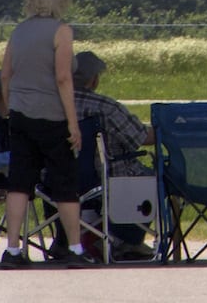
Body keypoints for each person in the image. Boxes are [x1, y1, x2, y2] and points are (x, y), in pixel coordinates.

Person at [0, 0, 92, 268]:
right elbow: (63, 78)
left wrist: (10, 108)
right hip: (51, 115)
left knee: (19, 183)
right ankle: (75, 248)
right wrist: (72, 123)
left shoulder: (19, 32)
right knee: (64, 182)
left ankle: (12, 249)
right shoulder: (61, 31)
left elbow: (5, 74)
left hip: (21, 114)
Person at [48, 50, 155, 261]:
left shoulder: (50, 106)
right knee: (154, 177)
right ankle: (128, 241)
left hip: (53, 181)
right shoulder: (106, 107)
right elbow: (141, 138)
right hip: (100, 180)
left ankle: (65, 238)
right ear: (94, 80)